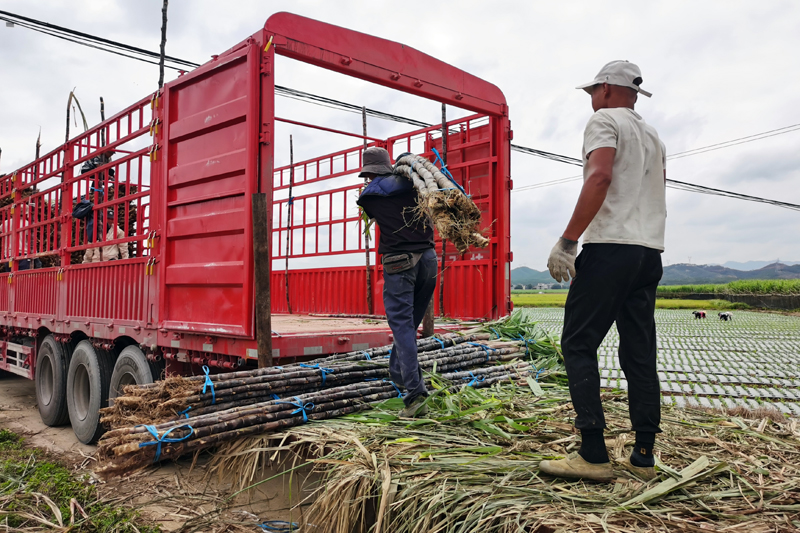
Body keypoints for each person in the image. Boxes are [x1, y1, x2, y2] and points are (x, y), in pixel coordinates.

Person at [539, 61, 666, 482]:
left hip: (610, 248)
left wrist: (568, 240)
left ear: (608, 89)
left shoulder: (603, 120)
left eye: (594, 90)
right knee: (638, 351)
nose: (592, 98)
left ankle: (592, 453)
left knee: (577, 344)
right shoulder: (653, 136)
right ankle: (643, 456)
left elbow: (600, 176)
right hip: (649, 253)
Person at [356, 147, 437, 418]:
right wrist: (407, 161)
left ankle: (415, 397)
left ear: (369, 173)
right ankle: (399, 375)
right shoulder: (417, 183)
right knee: (409, 325)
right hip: (428, 260)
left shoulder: (369, 196)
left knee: (402, 327)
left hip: (400, 264)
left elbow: (375, 194)